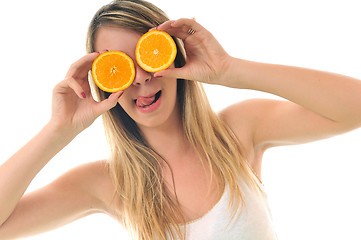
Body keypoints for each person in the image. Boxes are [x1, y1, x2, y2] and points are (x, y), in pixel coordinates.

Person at [1, 0, 361, 239]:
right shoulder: (106, 182)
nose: (141, 79)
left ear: (174, 55)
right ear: (100, 80)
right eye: (119, 67)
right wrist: (57, 132)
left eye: (149, 56)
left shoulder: (239, 130)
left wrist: (229, 69)